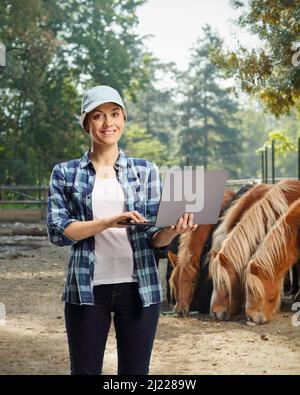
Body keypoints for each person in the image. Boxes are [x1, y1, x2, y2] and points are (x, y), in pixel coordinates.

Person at [47, 85, 197, 375]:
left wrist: (172, 232)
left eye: (115, 114)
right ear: (87, 122)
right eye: (99, 116)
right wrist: (108, 222)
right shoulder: (65, 172)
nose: (108, 123)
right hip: (86, 288)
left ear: (124, 119)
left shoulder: (146, 170)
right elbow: (58, 231)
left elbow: (154, 237)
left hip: (139, 288)